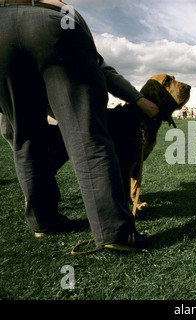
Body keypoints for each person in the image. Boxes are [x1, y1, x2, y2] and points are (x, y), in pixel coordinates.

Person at [0, 0, 159, 251]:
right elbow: (99, 66)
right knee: (87, 138)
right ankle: (114, 232)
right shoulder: (62, 9)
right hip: (53, 19)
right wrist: (137, 98)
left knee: (25, 140)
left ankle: (43, 222)